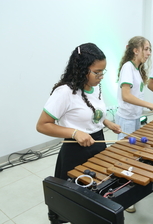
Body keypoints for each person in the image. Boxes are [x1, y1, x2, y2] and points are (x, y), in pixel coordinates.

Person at [36, 43, 121, 181]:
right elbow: (42, 125)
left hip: (99, 144)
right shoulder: (65, 92)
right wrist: (74, 133)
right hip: (76, 150)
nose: (101, 77)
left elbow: (90, 112)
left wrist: (106, 122)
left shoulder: (96, 87)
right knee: (77, 196)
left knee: (99, 190)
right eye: (97, 72)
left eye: (102, 72)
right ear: (82, 69)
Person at [115, 36, 153, 140]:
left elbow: (135, 95)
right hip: (126, 119)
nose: (149, 53)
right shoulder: (128, 67)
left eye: (149, 50)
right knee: (126, 152)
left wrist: (149, 107)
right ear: (136, 51)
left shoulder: (136, 69)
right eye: (146, 49)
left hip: (135, 117)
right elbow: (126, 96)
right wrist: (151, 105)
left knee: (134, 150)